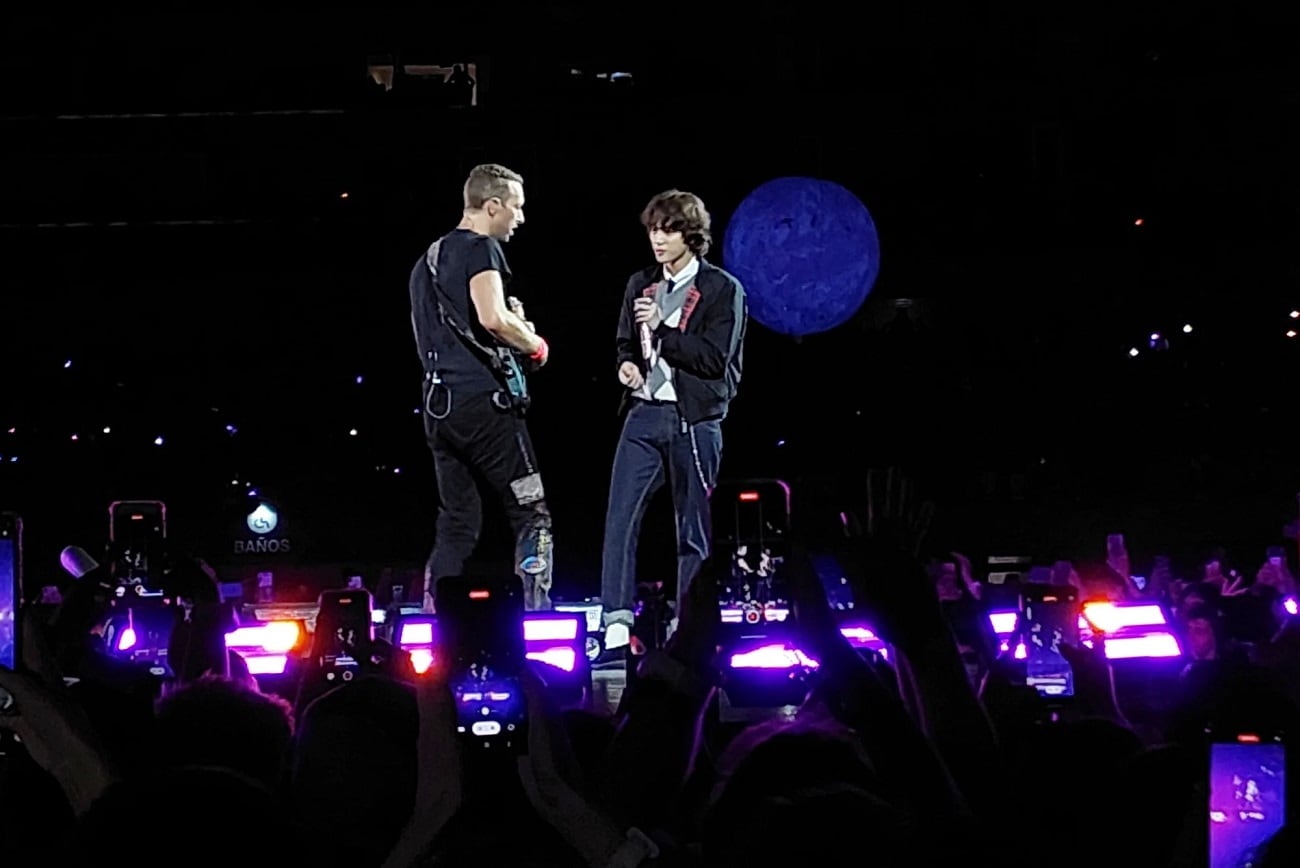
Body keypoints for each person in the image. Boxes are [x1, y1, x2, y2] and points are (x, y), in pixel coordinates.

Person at [600, 190, 747, 649]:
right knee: (621, 517)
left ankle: (690, 622)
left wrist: (664, 330)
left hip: (694, 420)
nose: (657, 240)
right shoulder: (639, 283)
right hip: (644, 414)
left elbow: (714, 359)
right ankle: (617, 620)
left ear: (692, 235)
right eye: (652, 230)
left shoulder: (723, 289)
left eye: (668, 230)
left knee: (694, 528)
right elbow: (626, 342)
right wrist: (627, 365)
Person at [409, 163, 554, 611]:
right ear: (492, 206)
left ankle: (436, 616)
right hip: (482, 405)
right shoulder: (481, 249)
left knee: (457, 523)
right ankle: (536, 614)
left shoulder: (425, 262)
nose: (521, 218)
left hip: (438, 407)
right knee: (532, 513)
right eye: (517, 208)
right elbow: (492, 317)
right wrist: (534, 343)